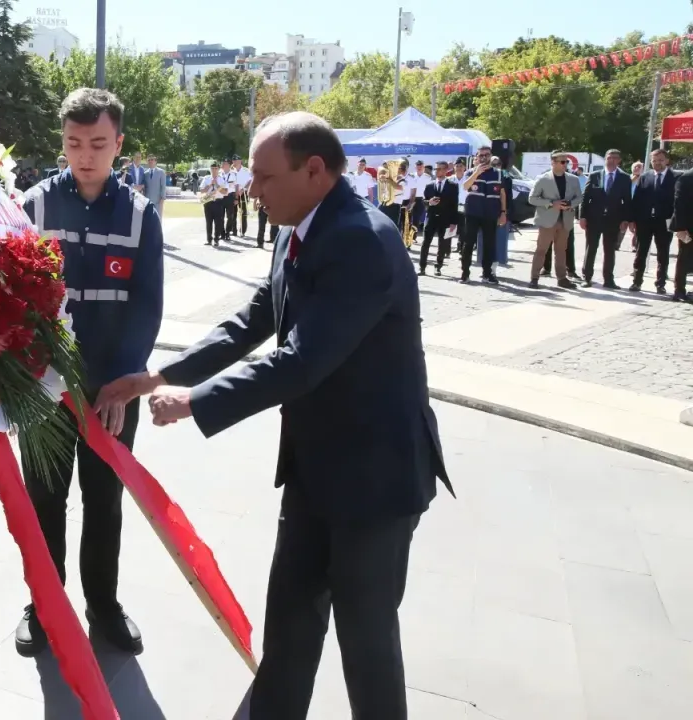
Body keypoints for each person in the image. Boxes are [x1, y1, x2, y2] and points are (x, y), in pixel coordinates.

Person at [98, 111, 450, 720]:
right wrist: (161, 375)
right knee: (288, 624)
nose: (251, 190)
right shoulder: (297, 225)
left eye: (264, 177)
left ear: (314, 171)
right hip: (317, 470)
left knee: (365, 641)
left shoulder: (362, 238)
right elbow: (256, 319)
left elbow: (303, 360)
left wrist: (197, 402)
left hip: (376, 480)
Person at [16, 87, 164, 658]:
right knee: (44, 501)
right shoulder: (31, 207)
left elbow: (146, 305)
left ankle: (103, 605)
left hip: (110, 391)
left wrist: (125, 381)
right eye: (74, 143)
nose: (85, 155)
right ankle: (43, 606)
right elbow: (15, 297)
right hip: (42, 388)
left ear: (119, 144)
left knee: (105, 502)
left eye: (98, 143)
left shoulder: (139, 213)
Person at [527, 150, 582, 289]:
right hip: (547, 220)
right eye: (562, 162)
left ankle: (562, 278)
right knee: (541, 250)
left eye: (566, 161)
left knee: (561, 250)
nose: (565, 164)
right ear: (553, 162)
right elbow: (532, 199)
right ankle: (534, 278)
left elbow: (579, 197)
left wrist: (570, 204)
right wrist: (552, 203)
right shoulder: (543, 179)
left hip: (565, 220)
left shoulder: (573, 179)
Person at [579, 149, 633, 289]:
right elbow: (585, 197)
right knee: (591, 248)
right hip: (594, 218)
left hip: (613, 219)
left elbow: (627, 200)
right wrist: (582, 216)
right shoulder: (595, 175)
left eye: (615, 158)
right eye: (609, 157)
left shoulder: (625, 178)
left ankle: (608, 279)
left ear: (619, 160)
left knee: (610, 250)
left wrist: (626, 219)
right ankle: (587, 277)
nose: (612, 160)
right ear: (605, 158)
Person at [630, 149, 678, 293]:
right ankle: (637, 282)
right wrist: (632, 220)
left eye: (661, 160)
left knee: (663, 253)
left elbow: (678, 201)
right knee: (641, 252)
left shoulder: (675, 177)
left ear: (667, 160)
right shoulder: (645, 177)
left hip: (665, 222)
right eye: (654, 160)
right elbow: (636, 200)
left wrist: (675, 221)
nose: (657, 163)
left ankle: (660, 283)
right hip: (645, 221)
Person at [460, 147, 506, 284]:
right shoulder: (470, 172)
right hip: (473, 213)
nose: (484, 158)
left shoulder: (498, 174)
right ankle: (465, 274)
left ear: (491, 156)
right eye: (481, 155)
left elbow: (502, 195)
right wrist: (476, 172)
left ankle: (487, 274)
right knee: (468, 243)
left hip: (490, 213)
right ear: (477, 157)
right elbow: (465, 186)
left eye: (487, 155)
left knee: (489, 244)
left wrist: (503, 213)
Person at [419, 160, 458, 276]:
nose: (437, 171)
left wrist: (453, 222)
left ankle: (438, 266)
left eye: (440, 169)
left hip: (445, 218)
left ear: (446, 170)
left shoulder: (452, 186)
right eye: (436, 169)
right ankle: (422, 267)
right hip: (431, 217)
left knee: (443, 244)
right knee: (425, 242)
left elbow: (454, 205)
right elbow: (423, 201)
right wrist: (429, 202)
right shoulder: (430, 185)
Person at [669, 169, 693, 303]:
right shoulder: (686, 178)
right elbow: (679, 204)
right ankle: (679, 291)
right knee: (684, 259)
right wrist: (681, 228)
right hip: (688, 227)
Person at [200, 164, 229, 246]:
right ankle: (209, 239)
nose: (214, 170)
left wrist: (216, 184)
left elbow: (225, 192)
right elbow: (202, 190)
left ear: (218, 169)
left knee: (218, 222)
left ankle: (216, 239)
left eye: (216, 168)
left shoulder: (222, 179)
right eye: (212, 168)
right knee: (208, 222)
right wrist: (210, 185)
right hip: (208, 202)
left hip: (218, 202)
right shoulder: (206, 178)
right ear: (210, 169)